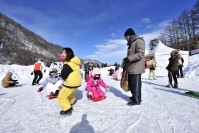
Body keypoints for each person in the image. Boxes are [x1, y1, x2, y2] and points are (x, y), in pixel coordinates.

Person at [122, 28, 145, 106]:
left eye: (125, 37)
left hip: (136, 67)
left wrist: (128, 58)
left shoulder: (139, 41)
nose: (125, 39)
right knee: (132, 84)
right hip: (131, 67)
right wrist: (126, 61)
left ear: (129, 35)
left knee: (136, 84)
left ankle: (137, 100)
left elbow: (140, 54)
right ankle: (134, 96)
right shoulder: (131, 43)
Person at [58, 47, 82, 115]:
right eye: (62, 53)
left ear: (69, 54)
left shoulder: (68, 64)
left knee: (61, 97)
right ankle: (72, 101)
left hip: (70, 83)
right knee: (71, 93)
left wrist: (63, 79)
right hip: (77, 83)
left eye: (64, 53)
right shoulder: (75, 63)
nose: (62, 54)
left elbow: (63, 74)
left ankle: (68, 109)